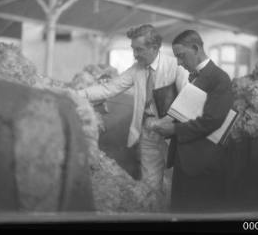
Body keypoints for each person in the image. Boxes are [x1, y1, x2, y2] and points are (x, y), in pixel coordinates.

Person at [69, 24, 189, 206]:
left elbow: (187, 104)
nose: (135, 54)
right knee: (150, 186)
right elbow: (109, 88)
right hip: (148, 133)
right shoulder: (137, 69)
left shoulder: (176, 68)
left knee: (179, 183)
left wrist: (167, 124)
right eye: (133, 49)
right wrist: (73, 94)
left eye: (139, 49)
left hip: (173, 137)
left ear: (154, 48)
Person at [151, 30, 234, 212]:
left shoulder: (219, 78)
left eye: (181, 56)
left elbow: (212, 120)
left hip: (203, 163)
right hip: (186, 157)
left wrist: (173, 130)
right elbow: (186, 112)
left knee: (197, 212)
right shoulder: (195, 76)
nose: (179, 63)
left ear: (196, 48)